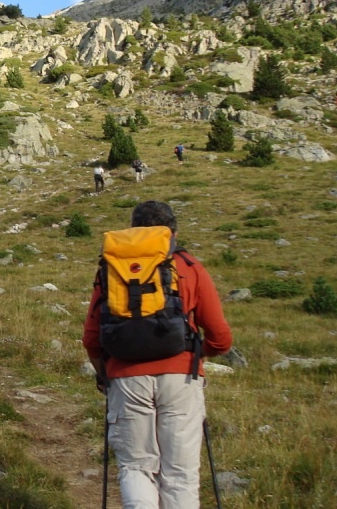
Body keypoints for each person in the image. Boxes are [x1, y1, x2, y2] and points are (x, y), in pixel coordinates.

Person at [82, 201, 232, 509]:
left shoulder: (111, 268)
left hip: (126, 378)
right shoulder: (190, 268)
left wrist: (103, 375)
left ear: (134, 230)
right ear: (173, 232)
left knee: (136, 467)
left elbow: (92, 339)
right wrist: (195, 355)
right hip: (181, 379)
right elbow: (221, 338)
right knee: (180, 474)